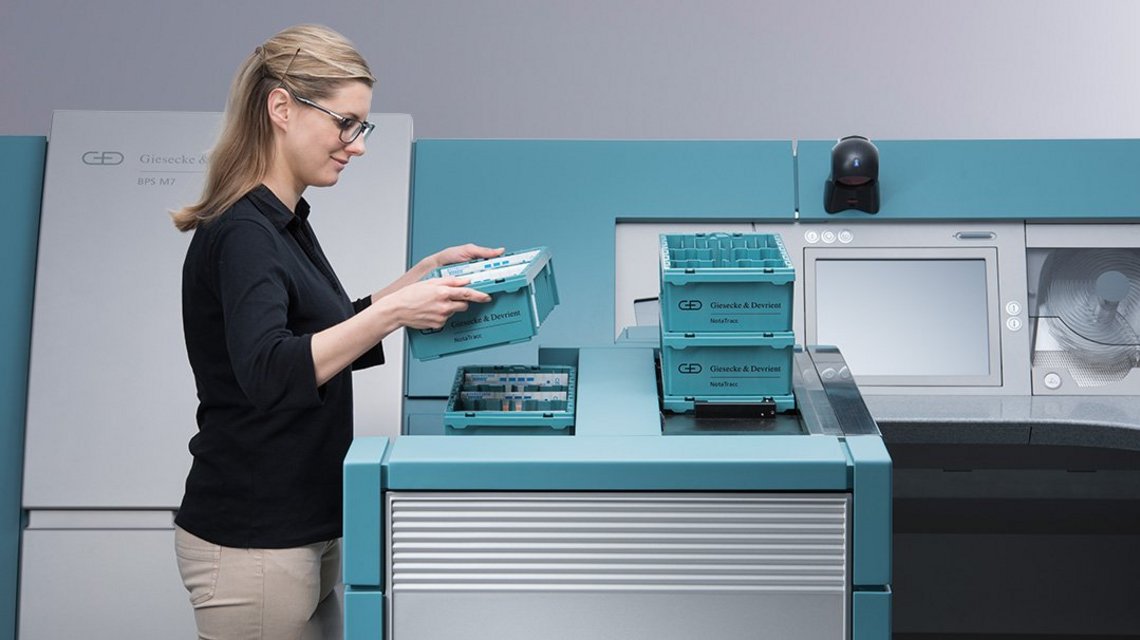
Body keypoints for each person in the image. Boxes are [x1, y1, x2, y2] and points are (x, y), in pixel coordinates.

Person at [170, 24, 500, 639]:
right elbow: (270, 370)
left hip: (300, 528)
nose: (358, 145)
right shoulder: (244, 231)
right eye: (346, 123)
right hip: (254, 535)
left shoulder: (284, 221)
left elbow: (318, 331)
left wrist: (419, 279)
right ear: (281, 108)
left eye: (362, 127)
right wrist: (394, 314)